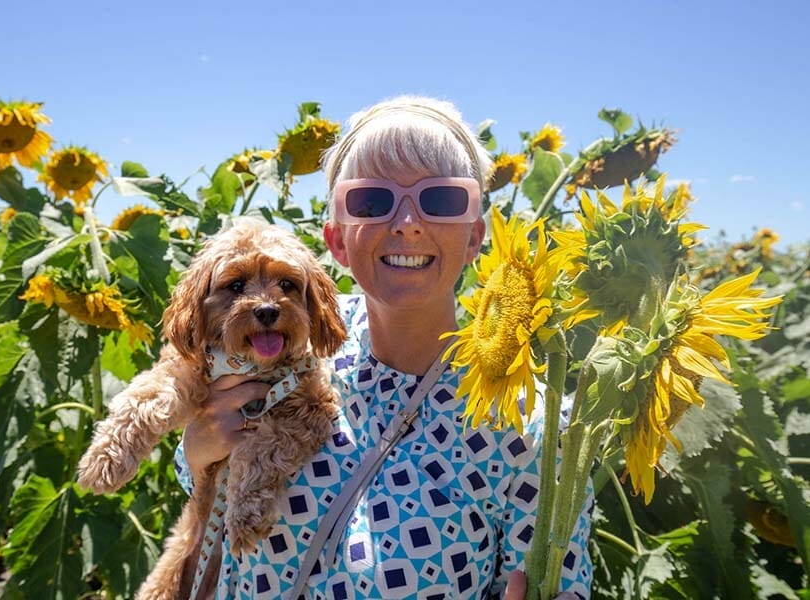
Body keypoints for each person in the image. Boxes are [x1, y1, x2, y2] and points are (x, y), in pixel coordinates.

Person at [176, 96, 592, 599]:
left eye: (440, 200)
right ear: (337, 241)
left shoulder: (526, 426)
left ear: (474, 237)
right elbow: (205, 490)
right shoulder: (288, 341)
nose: (407, 223)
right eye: (372, 202)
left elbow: (558, 582)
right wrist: (196, 452)